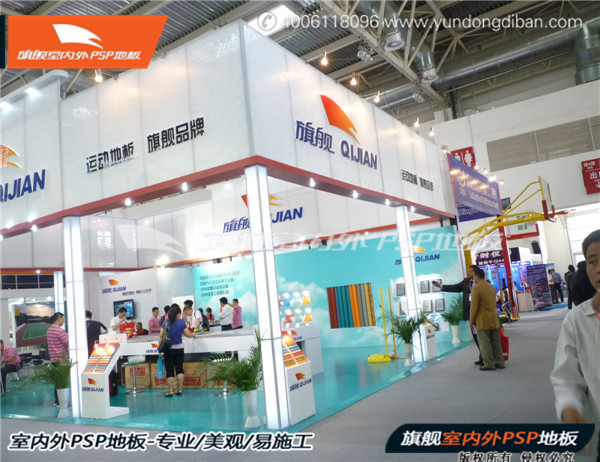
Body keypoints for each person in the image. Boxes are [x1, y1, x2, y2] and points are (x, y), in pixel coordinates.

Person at [550, 229, 600, 461]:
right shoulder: (577, 319)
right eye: (592, 261)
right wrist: (570, 407)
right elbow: (566, 376)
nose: (598, 268)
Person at [432, 265, 483, 365]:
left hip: (480, 313)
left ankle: (487, 357)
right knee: (476, 336)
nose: (468, 273)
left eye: (470, 271)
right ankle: (482, 356)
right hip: (470, 313)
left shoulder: (481, 282)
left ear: (475, 272)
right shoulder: (466, 282)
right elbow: (455, 287)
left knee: (482, 336)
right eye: (467, 271)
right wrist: (440, 286)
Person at [470, 268, 505, 371]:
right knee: (496, 342)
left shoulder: (476, 288)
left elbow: (474, 307)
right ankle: (500, 362)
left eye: (474, 276)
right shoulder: (491, 287)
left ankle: (489, 363)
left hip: (482, 320)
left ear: (477, 276)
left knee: (484, 343)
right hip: (493, 318)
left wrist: (472, 321)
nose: (473, 278)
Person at [158, 304, 196, 397]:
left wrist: (159, 347)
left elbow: (161, 336)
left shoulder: (165, 322)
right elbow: (188, 334)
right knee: (179, 369)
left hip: (168, 350)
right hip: (179, 349)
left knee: (170, 371)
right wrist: (193, 334)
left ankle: (171, 391)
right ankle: (180, 389)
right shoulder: (181, 322)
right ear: (178, 314)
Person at [46, 313, 69, 406]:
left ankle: (57, 401)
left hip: (53, 359)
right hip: (62, 360)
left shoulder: (49, 330)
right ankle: (62, 402)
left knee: (58, 382)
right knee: (63, 382)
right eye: (63, 319)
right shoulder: (60, 331)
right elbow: (67, 344)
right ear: (58, 319)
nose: (63, 321)